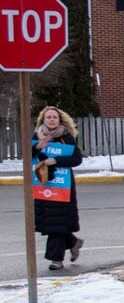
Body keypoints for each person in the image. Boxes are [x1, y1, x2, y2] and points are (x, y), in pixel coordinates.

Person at [31, 106, 84, 271]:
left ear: (60, 119)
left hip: (62, 185)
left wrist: (56, 161)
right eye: (49, 117)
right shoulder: (37, 136)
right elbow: (29, 156)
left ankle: (56, 260)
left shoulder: (66, 137)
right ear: (43, 119)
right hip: (44, 183)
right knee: (52, 222)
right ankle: (73, 242)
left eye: (54, 117)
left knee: (58, 222)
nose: (52, 120)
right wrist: (38, 147)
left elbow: (76, 159)